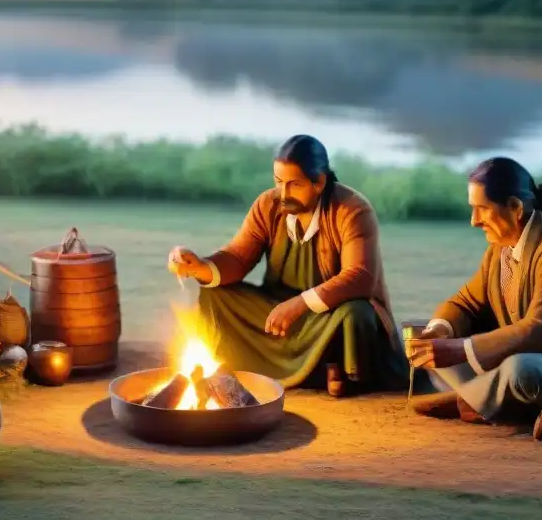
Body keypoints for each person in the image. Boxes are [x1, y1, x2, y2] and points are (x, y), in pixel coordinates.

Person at [167, 134, 408, 397]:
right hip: (276, 311)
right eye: (278, 182)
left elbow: (360, 276)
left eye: (294, 184)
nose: (283, 193)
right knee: (216, 294)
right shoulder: (267, 205)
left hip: (326, 317)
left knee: (356, 313)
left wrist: (300, 304)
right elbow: (238, 257)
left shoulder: (352, 210)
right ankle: (261, 364)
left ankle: (335, 368)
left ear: (319, 182)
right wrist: (200, 266)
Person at [407, 156, 542, 441]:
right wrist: (441, 330)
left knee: (521, 369)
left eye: (482, 209)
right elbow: (466, 302)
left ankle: (473, 402)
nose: (474, 221)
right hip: (520, 361)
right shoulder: (501, 247)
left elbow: (538, 333)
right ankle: (505, 403)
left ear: (515, 207)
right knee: (415, 331)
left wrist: (459, 350)